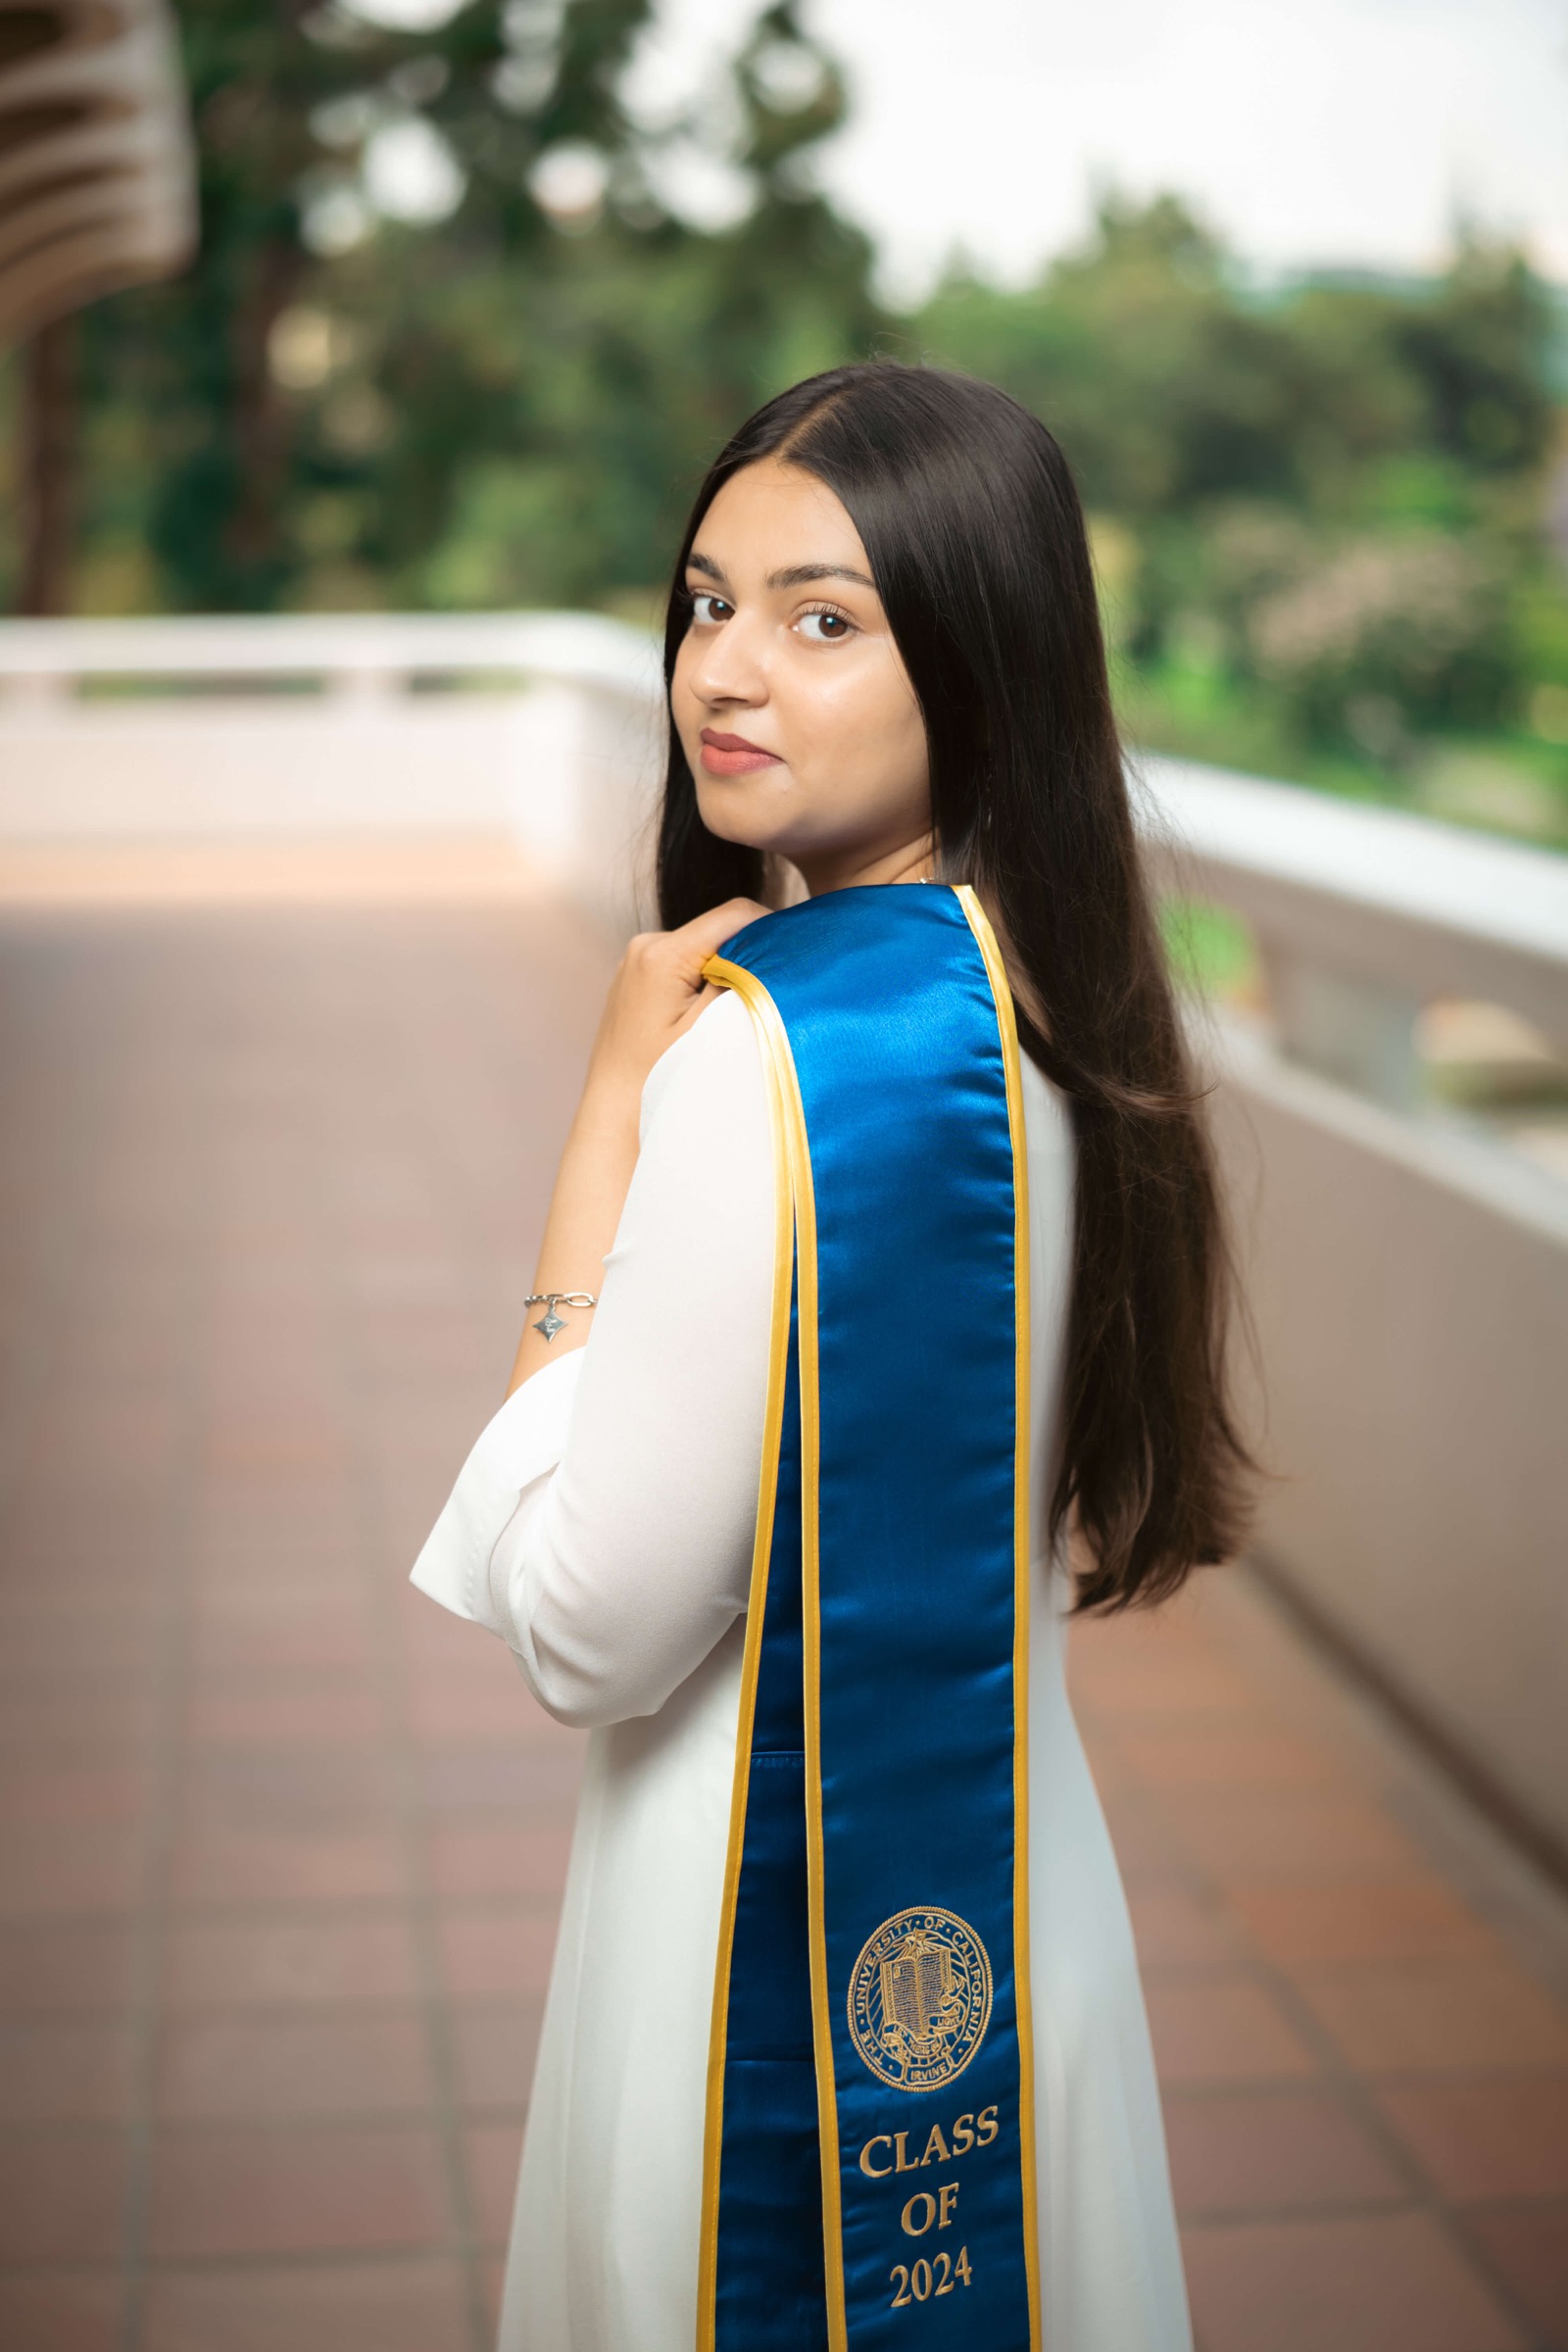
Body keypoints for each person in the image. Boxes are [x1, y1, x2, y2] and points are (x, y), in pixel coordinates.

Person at [413, 362, 1252, 2352]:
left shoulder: (766, 1064)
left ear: (977, 658)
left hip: (750, 1946)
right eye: (706, 602)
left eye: (821, 619)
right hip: (1010, 1899)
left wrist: (605, 1123)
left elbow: (585, 1634)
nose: (725, 672)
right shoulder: (1036, 998)